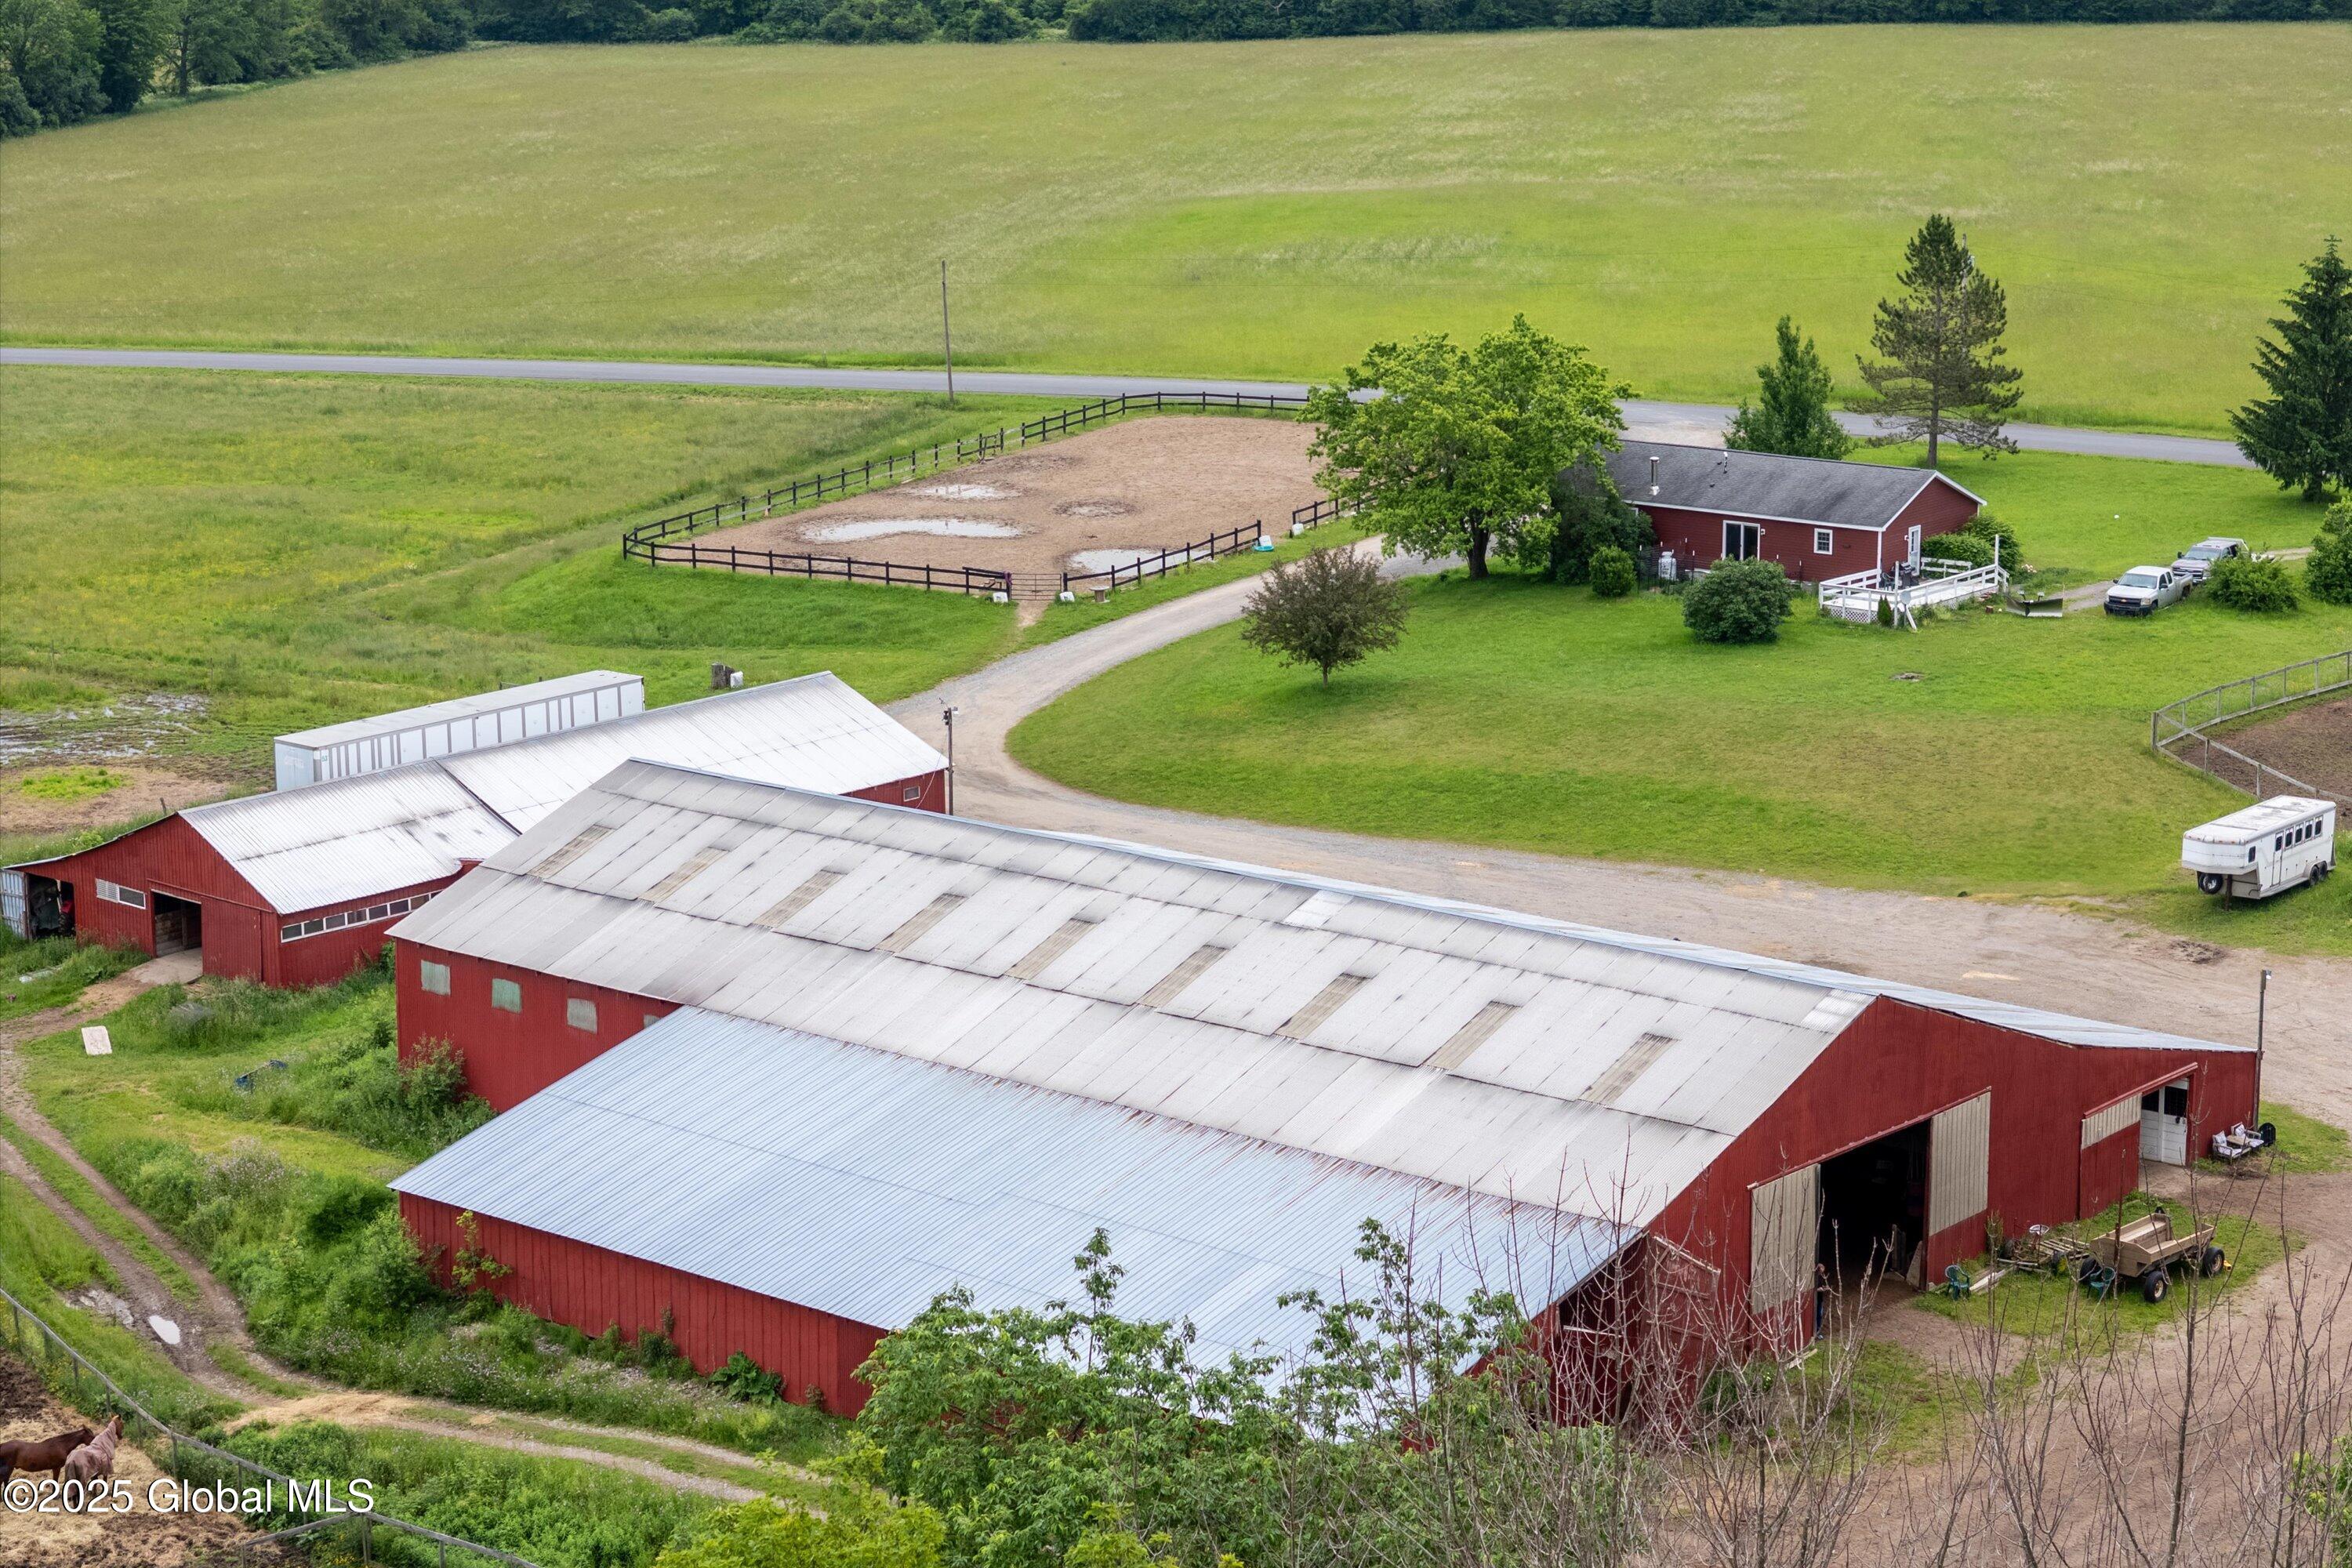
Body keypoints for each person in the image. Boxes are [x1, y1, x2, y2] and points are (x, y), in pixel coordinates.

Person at [1813, 1261, 1831, 1340]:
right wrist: (1817, 1289)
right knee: (1816, 1315)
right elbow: (1814, 1288)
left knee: (1820, 1315)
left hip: (1820, 1299)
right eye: (1820, 1272)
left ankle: (1818, 1331)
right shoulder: (1814, 1278)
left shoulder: (1820, 1277)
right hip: (1815, 1300)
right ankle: (1816, 1332)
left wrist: (1824, 1287)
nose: (1821, 1274)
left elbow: (1820, 1286)